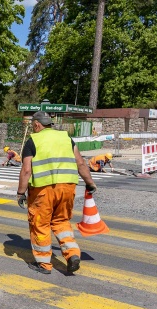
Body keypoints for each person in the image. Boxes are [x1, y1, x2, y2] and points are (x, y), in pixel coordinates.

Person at [16, 111, 97, 275]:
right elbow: (80, 163)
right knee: (61, 222)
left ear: (37, 124)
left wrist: (20, 192)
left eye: (33, 125)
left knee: (40, 224)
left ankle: (44, 264)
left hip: (43, 190)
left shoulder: (34, 140)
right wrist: (90, 183)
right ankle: (73, 254)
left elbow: (26, 170)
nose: (33, 128)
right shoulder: (66, 138)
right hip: (67, 188)